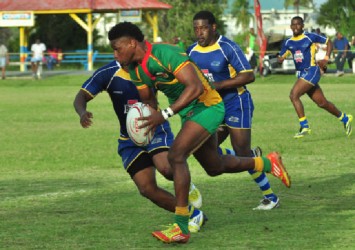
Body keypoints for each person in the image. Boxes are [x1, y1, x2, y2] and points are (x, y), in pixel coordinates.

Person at [108, 21, 291, 244]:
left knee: (176, 157)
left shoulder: (165, 53)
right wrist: (145, 121)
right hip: (189, 113)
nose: (115, 55)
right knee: (215, 166)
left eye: (117, 49)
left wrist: (163, 114)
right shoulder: (135, 70)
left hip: (208, 106)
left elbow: (195, 88)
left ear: (131, 43)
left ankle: (182, 227)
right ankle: (267, 162)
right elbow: (148, 99)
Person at [73, 60, 206, 233]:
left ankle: (186, 185)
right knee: (146, 188)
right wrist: (82, 112)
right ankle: (193, 214)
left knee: (166, 168)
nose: (117, 54)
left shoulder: (150, 68)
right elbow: (81, 96)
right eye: (114, 49)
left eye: (119, 48)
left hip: (155, 129)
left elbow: (184, 86)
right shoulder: (108, 72)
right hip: (129, 139)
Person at [187, 10, 280, 211]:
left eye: (203, 28)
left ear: (213, 27)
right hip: (212, 107)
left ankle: (270, 197)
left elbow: (248, 75)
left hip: (236, 102)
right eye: (196, 29)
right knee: (206, 153)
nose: (199, 33)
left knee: (241, 152)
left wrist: (218, 85)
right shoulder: (191, 51)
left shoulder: (227, 47)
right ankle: (254, 157)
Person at [277, 16, 353, 138]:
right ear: (290, 26)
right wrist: (279, 58)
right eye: (293, 24)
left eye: (298, 24)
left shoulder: (310, 37)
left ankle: (305, 126)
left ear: (302, 26)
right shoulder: (288, 42)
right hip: (302, 75)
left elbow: (329, 42)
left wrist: (326, 58)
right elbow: (281, 57)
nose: (295, 27)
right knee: (322, 103)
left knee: (293, 95)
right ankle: (345, 118)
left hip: (312, 71)